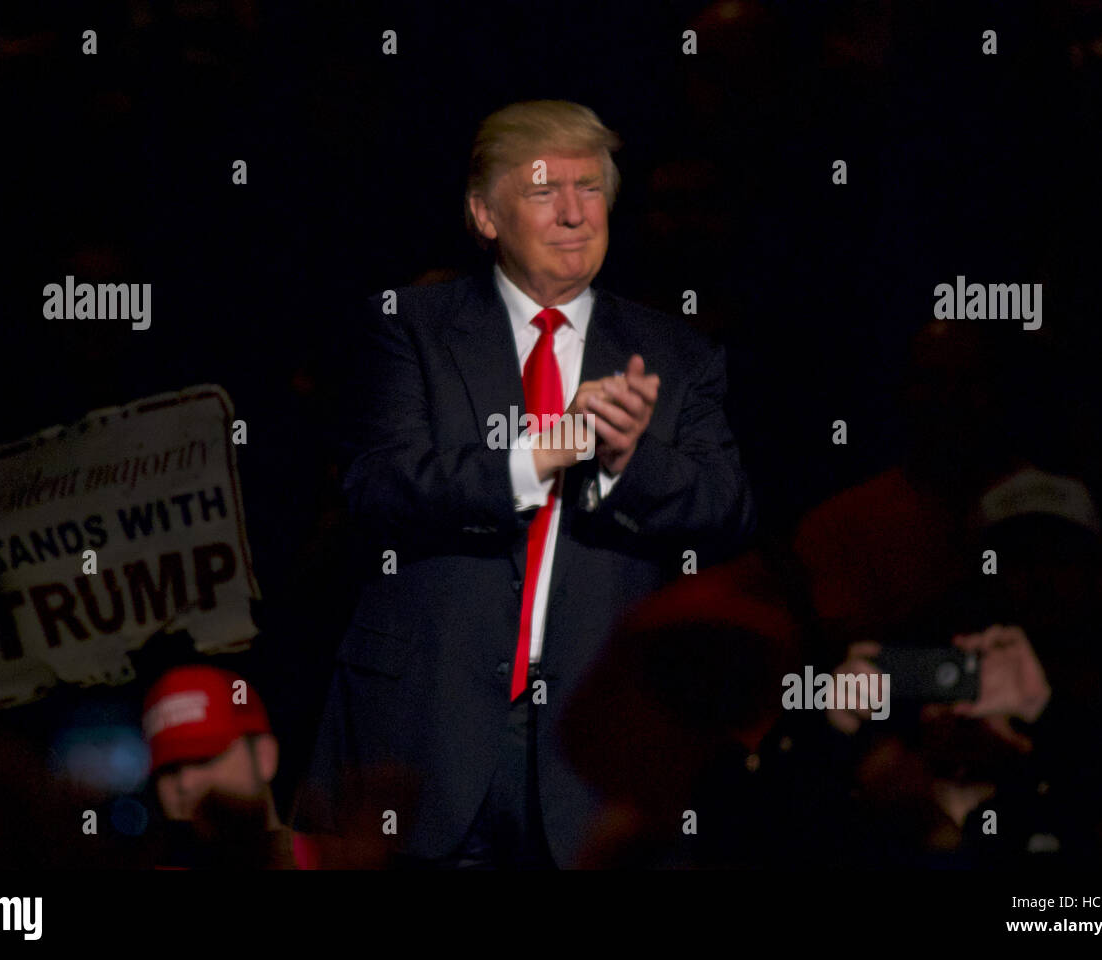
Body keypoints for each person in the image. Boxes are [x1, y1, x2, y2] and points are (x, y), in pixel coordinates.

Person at [293, 99, 756, 868]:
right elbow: (378, 489)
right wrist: (539, 455)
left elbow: (728, 511)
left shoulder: (675, 353)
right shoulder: (411, 325)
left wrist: (625, 458)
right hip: (423, 734)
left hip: (593, 749)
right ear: (484, 213)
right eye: (545, 191)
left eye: (591, 189)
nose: (574, 214)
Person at [142, 664, 301, 869]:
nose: (185, 783)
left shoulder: (338, 858)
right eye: (168, 768)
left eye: (204, 759)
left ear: (264, 757)